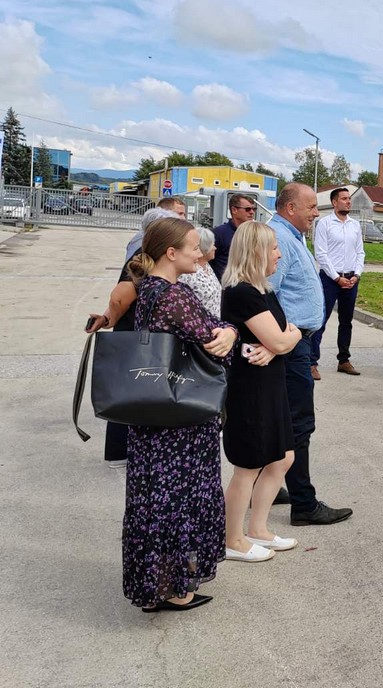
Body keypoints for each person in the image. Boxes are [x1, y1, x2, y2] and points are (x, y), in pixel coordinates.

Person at [123, 217, 238, 612]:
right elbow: (212, 336)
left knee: (154, 500)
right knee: (180, 500)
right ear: (171, 253)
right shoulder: (174, 295)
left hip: (153, 418)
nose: (201, 254)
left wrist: (224, 330)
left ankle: (155, 584)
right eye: (193, 247)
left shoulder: (150, 290)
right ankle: (176, 588)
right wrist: (232, 332)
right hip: (181, 420)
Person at [268, 183, 352, 526]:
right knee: (298, 422)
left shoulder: (291, 234)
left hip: (293, 341)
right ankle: (304, 503)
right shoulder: (279, 239)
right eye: (311, 207)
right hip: (290, 345)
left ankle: (272, 486)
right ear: (290, 209)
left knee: (280, 419)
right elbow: (268, 293)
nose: (316, 213)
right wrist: (284, 335)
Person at [221, 221, 302, 561]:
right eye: (272, 248)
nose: (278, 254)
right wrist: (280, 342)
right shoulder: (241, 292)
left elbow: (291, 331)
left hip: (270, 384)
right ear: (255, 252)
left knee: (283, 457)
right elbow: (284, 335)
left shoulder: (263, 290)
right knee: (248, 466)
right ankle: (232, 539)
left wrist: (276, 346)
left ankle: (258, 529)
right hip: (250, 390)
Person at [89, 207, 180, 467]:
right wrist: (112, 318)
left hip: (138, 331)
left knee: (134, 389)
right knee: (129, 391)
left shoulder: (149, 253)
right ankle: (120, 452)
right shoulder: (144, 256)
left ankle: (125, 451)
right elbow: (121, 293)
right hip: (133, 332)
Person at [311, 187, 365, 380]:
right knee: (320, 320)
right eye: (344, 199)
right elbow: (321, 254)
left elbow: (360, 252)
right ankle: (312, 362)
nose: (348, 202)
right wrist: (336, 277)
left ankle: (344, 360)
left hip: (351, 279)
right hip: (330, 279)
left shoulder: (355, 226)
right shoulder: (324, 224)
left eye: (349, 198)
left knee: (346, 322)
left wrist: (356, 275)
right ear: (334, 202)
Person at [178, 226, 222, 317]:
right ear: (204, 248)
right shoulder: (189, 272)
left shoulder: (207, 266)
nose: (215, 248)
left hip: (214, 324)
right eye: (212, 245)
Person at [211, 193, 257, 279]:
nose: (252, 212)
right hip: (225, 286)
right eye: (247, 209)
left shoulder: (253, 234)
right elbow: (207, 260)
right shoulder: (219, 234)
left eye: (254, 209)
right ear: (234, 210)